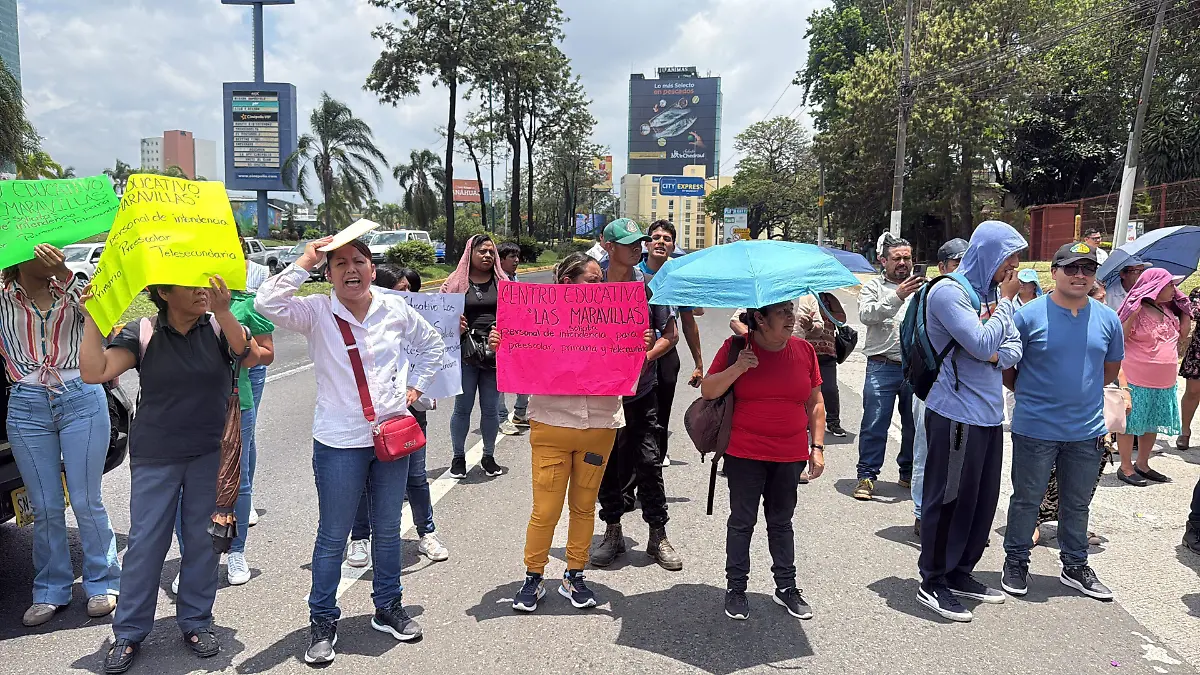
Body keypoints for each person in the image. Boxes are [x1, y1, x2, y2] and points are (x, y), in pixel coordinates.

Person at [256, 237, 444, 665]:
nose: (350, 269)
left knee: (388, 529)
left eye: (359, 261)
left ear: (373, 269)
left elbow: (432, 346)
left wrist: (415, 387)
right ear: (328, 273)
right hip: (339, 441)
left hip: (392, 437)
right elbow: (267, 302)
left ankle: (388, 607)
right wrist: (305, 258)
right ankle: (322, 621)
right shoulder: (317, 312)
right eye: (339, 263)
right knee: (333, 536)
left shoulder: (394, 307)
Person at [81, 277, 261, 674]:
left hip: (210, 454)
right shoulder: (142, 331)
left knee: (203, 541)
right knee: (146, 545)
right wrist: (92, 319)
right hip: (156, 456)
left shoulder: (216, 325)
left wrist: (225, 309)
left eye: (204, 285)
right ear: (164, 293)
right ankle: (127, 632)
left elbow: (249, 354)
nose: (201, 291)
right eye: (190, 286)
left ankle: (196, 622)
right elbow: (96, 372)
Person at [499, 253, 654, 612]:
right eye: (592, 280)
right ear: (567, 284)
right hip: (552, 424)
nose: (600, 287)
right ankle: (534, 576)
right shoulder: (539, 319)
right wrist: (502, 343)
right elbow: (518, 354)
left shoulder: (613, 318)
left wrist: (638, 345)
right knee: (546, 510)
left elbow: (630, 363)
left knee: (584, 508)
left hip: (599, 425)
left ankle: (574, 574)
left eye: (601, 281)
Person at [0, 245, 120, 628]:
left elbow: (107, 315)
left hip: (80, 398)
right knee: (45, 505)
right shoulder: (2, 299)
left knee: (87, 500)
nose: (47, 253)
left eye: (52, 246)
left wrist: (66, 271)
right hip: (26, 403)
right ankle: (50, 588)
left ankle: (102, 583)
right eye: (36, 247)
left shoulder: (74, 288)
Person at [1000, 242, 1122, 601]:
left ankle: (1074, 565)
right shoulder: (1028, 315)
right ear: (1053, 273)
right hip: (1035, 428)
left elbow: (1109, 370)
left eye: (1087, 269)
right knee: (1027, 499)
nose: (1080, 275)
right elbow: (1009, 368)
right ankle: (1017, 561)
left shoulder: (1107, 318)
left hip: (1086, 430)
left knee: (1077, 502)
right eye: (1072, 268)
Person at [917, 220, 1026, 623]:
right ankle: (933, 580)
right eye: (1009, 258)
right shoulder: (949, 291)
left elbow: (1011, 346)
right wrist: (1004, 312)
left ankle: (961, 571)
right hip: (955, 413)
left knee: (981, 500)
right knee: (947, 499)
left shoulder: (991, 294)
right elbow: (979, 342)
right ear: (989, 254)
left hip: (988, 415)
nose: (1013, 267)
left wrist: (994, 352)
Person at [702, 302, 826, 621]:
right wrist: (738, 368)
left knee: (781, 522)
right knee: (742, 522)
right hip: (745, 453)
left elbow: (816, 404)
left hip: (790, 455)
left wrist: (818, 446)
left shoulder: (804, 351)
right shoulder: (735, 348)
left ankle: (786, 587)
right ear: (760, 318)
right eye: (783, 312)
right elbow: (708, 390)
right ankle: (736, 588)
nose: (791, 317)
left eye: (792, 311)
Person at [589, 218, 683, 571]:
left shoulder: (648, 286)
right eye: (629, 242)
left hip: (642, 391)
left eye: (639, 242)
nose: (637, 247)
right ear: (608, 246)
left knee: (648, 460)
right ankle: (612, 530)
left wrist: (645, 356)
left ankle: (658, 534)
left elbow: (670, 334)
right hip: (600, 394)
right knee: (606, 465)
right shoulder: (591, 283)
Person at [346, 267, 449, 567]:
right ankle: (360, 539)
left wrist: (416, 389)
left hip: (408, 416)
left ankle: (427, 533)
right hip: (367, 416)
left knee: (416, 476)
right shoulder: (365, 322)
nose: (405, 294)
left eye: (408, 288)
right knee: (363, 481)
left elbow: (435, 347)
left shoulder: (412, 316)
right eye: (398, 289)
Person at [853, 235, 920, 500]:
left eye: (907, 258)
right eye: (897, 258)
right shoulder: (873, 288)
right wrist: (897, 296)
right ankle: (867, 476)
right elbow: (867, 315)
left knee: (914, 424)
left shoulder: (922, 288)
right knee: (874, 422)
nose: (903, 263)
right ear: (883, 260)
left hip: (914, 368)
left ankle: (909, 472)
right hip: (882, 366)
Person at [910, 237, 967, 534]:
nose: (963, 268)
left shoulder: (978, 296)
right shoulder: (931, 295)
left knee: (961, 456)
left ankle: (954, 516)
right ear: (942, 267)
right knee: (926, 451)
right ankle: (922, 513)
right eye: (957, 263)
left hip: (965, 392)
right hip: (932, 387)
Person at [1114, 267, 1190, 487]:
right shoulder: (1136, 310)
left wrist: (1185, 310)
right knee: (1130, 424)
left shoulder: (1167, 310)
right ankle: (1126, 466)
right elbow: (1122, 336)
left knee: (1152, 422)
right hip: (1137, 377)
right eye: (1169, 285)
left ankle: (1143, 463)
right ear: (1155, 287)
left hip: (1164, 380)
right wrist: (1134, 313)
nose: (1173, 290)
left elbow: (1183, 334)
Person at [441, 234, 509, 479]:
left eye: (491, 252)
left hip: (494, 354)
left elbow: (517, 318)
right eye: (482, 251)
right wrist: (453, 325)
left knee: (490, 409)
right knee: (463, 408)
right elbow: (438, 317)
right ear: (470, 253)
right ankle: (458, 457)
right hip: (465, 354)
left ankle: (488, 456)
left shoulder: (504, 283)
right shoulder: (453, 283)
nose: (488, 256)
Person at [638, 220, 705, 467]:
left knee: (661, 411)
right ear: (647, 243)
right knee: (638, 410)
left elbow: (688, 322)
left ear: (673, 245)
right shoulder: (633, 274)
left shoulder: (678, 279)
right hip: (638, 352)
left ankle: (656, 458)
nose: (661, 242)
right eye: (656, 237)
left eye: (667, 239)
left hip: (667, 353)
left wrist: (698, 363)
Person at [223, 290, 275, 585]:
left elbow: (263, 355)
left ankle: (236, 551)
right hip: (189, 409)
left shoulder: (247, 304)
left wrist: (238, 337)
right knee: (191, 487)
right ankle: (196, 558)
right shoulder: (181, 300)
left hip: (234, 401)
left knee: (237, 480)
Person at [495, 241, 529, 436]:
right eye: (511, 257)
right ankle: (500, 417)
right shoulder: (497, 282)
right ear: (500, 260)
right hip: (502, 338)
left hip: (520, 337)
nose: (516, 260)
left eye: (517, 256)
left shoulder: (515, 278)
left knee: (523, 375)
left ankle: (520, 413)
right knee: (501, 380)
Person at [1176, 286, 1200, 450]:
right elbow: (1191, 314)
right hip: (1199, 351)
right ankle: (1185, 431)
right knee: (1192, 392)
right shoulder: (1197, 293)